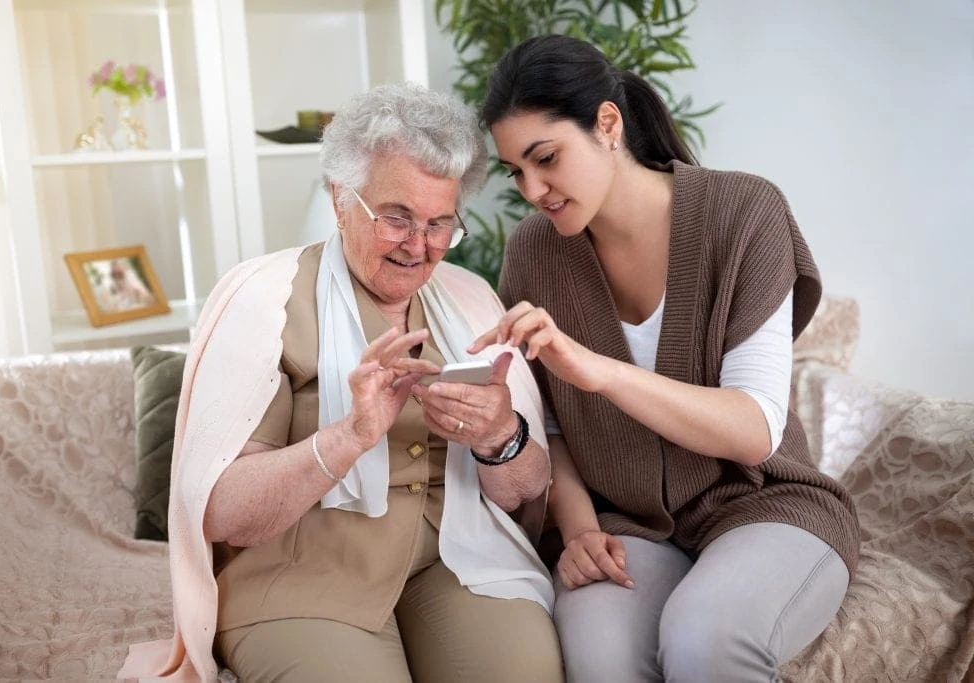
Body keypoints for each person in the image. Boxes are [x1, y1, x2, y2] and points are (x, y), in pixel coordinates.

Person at [118, 83, 563, 682]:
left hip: (456, 562)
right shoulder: (262, 302)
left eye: (440, 224)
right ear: (338, 197)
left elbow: (526, 491)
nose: (420, 246)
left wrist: (500, 437)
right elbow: (223, 513)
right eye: (397, 218)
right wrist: (348, 436)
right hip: (301, 577)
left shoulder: (471, 301)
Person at [469, 34, 861, 682]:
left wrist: (604, 372)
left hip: (766, 506)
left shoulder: (744, 213)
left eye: (546, 158)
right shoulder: (534, 253)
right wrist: (579, 528)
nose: (532, 189)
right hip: (630, 526)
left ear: (608, 123)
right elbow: (552, 426)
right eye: (516, 171)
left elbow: (754, 427)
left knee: (704, 637)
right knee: (600, 660)